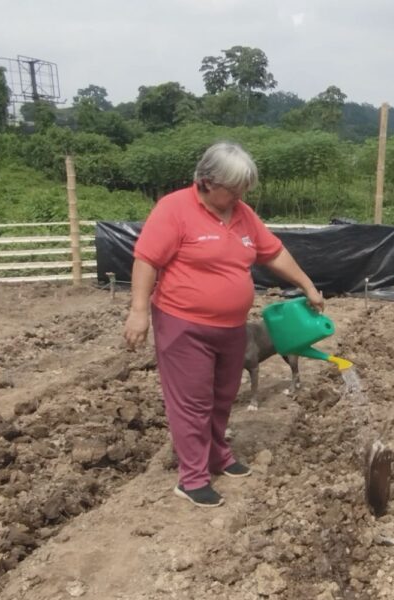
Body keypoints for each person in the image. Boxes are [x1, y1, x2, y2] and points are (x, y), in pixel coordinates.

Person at [123, 141, 324, 508]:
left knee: (222, 395)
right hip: (183, 323)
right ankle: (193, 477)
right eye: (233, 188)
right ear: (206, 182)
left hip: (232, 327)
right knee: (192, 401)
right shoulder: (174, 209)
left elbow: (273, 252)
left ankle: (218, 455)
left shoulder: (242, 213)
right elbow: (146, 259)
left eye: (244, 188)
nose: (240, 195)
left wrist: (306, 284)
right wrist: (138, 311)